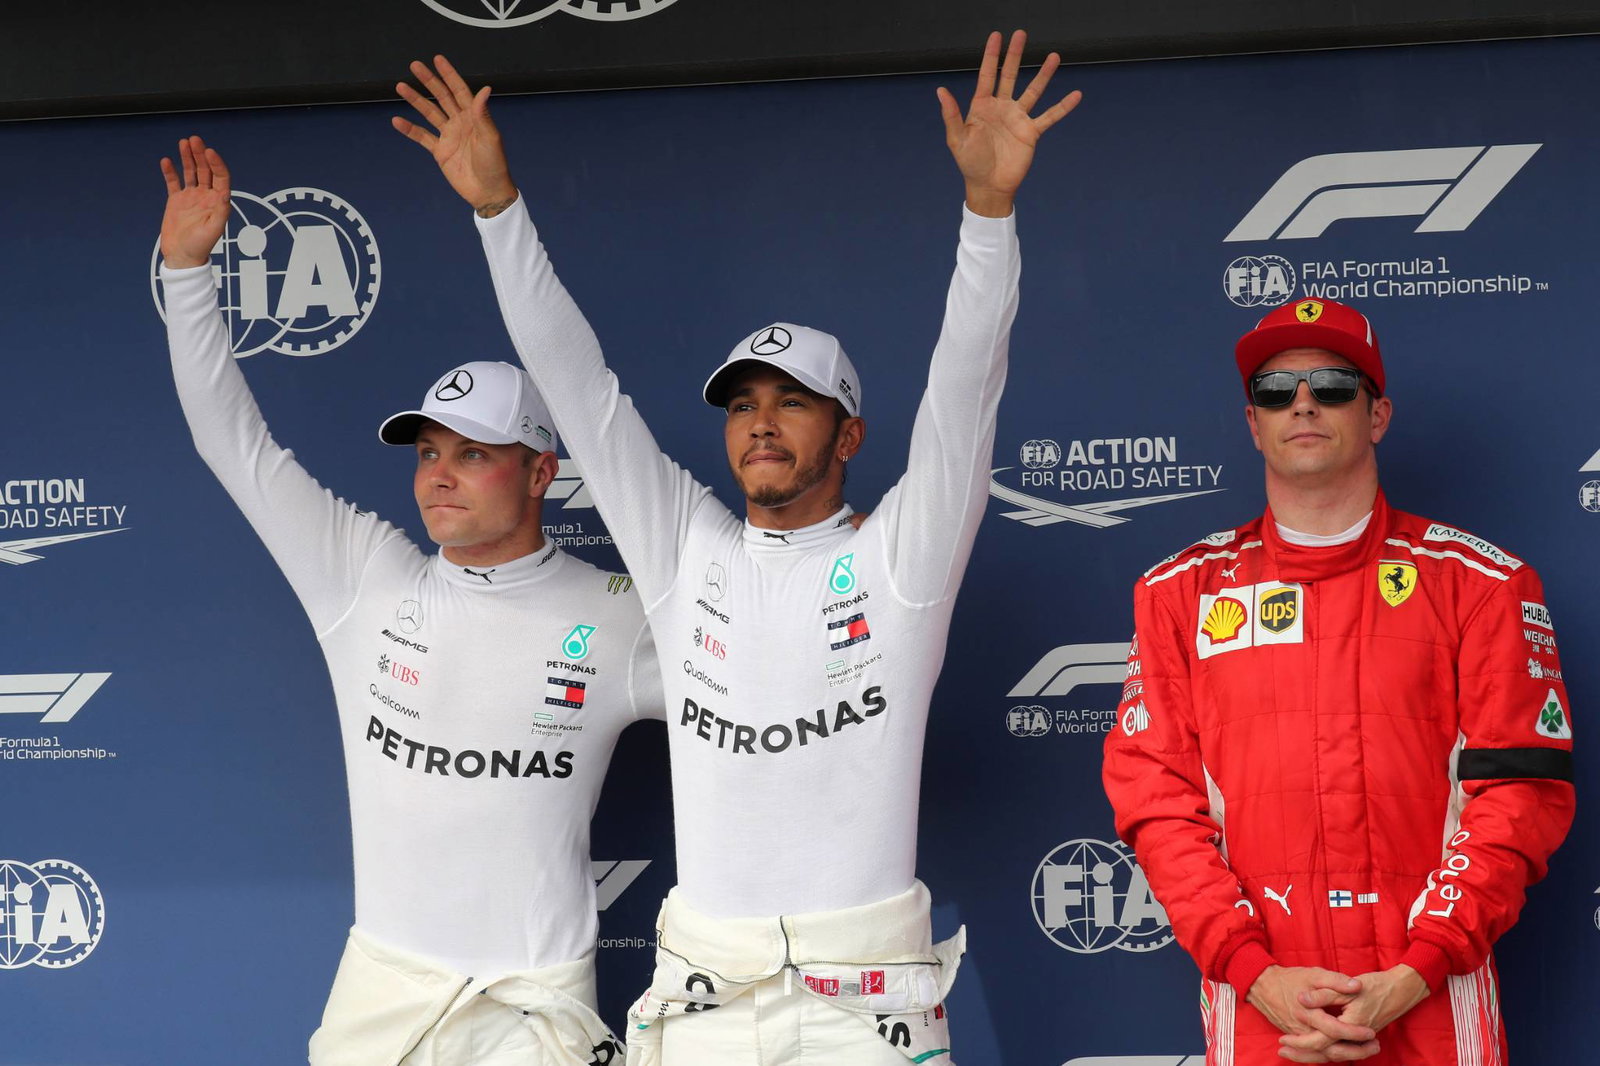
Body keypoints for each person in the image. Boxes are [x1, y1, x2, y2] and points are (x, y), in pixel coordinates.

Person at [391, 31, 1079, 1064]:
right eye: (743, 403)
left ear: (848, 436)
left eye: (793, 402)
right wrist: (497, 210)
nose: (760, 422)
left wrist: (987, 212)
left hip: (864, 1001)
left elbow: (965, 387)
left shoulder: (902, 558)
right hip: (706, 992)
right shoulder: (683, 548)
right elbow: (575, 381)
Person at [158, 135, 661, 1066]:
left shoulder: (623, 615)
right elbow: (234, 445)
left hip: (534, 1011)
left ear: (540, 472)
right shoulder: (363, 575)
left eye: (473, 453)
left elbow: (769, 691)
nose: (439, 476)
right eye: (429, 452)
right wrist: (189, 273)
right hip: (382, 1000)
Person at [1102, 297, 1575, 1065]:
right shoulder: (1179, 593)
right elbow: (1157, 805)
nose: (1303, 404)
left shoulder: (1483, 584)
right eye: (1275, 390)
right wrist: (1255, 973)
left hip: (1432, 1003)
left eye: (1332, 384)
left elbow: (1521, 797)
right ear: (1253, 423)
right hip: (1264, 1009)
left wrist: (1418, 970)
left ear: (1377, 413)